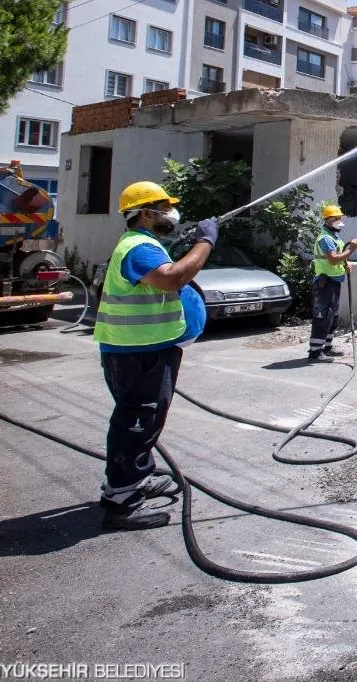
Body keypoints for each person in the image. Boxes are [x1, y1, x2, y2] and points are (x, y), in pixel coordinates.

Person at [91, 180, 217, 531]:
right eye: (164, 207)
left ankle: (136, 480)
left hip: (146, 348)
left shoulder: (144, 245)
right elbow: (173, 278)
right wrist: (206, 241)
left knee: (144, 420)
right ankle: (121, 502)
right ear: (145, 213)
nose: (171, 213)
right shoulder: (139, 247)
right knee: (136, 423)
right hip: (138, 351)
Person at [309, 204, 357, 362]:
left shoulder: (333, 237)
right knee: (323, 316)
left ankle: (327, 347)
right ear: (328, 219)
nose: (339, 221)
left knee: (333, 317)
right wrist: (351, 250)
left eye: (340, 218)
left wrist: (345, 264)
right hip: (326, 282)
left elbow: (338, 257)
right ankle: (315, 352)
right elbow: (332, 259)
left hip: (334, 282)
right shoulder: (325, 238)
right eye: (336, 218)